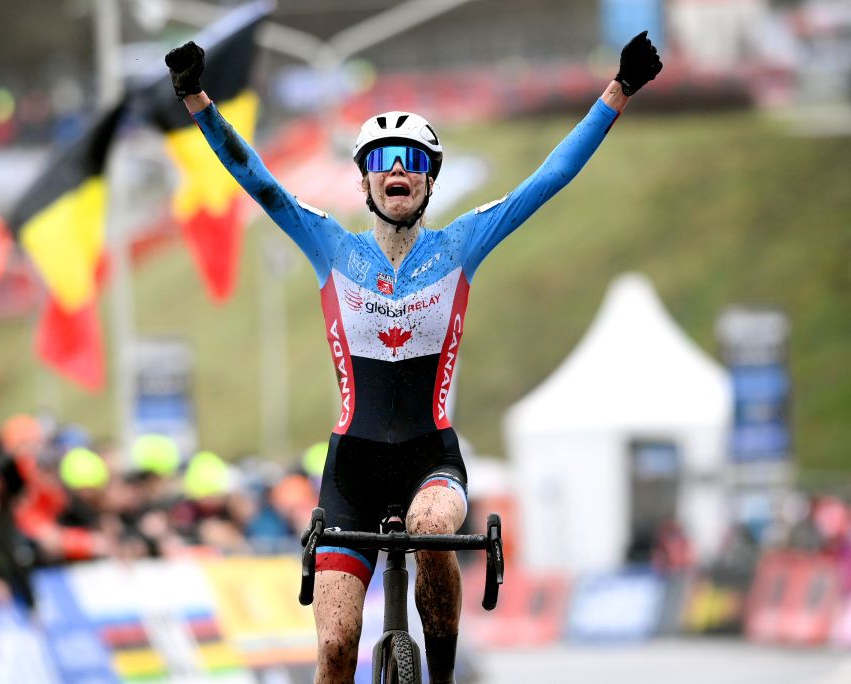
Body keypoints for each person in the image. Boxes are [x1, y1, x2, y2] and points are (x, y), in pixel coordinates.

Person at [167, 31, 662, 684]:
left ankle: (443, 677)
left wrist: (617, 91)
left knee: (432, 528)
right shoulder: (329, 246)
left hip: (431, 458)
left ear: (429, 179)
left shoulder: (462, 243)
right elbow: (254, 179)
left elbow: (551, 177)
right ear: (366, 178)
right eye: (383, 159)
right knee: (337, 649)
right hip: (352, 471)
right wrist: (197, 98)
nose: (397, 169)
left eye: (412, 160)